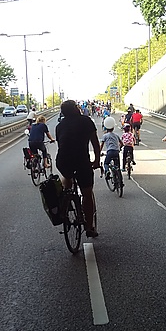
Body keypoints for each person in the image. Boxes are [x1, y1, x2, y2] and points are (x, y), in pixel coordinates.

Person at [55, 99, 101, 238]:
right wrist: (97, 160)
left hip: (62, 160)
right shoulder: (86, 121)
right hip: (81, 160)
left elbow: (62, 145)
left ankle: (65, 200)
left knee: (67, 177)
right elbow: (95, 142)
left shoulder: (59, 126)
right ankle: (89, 227)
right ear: (76, 109)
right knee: (87, 194)